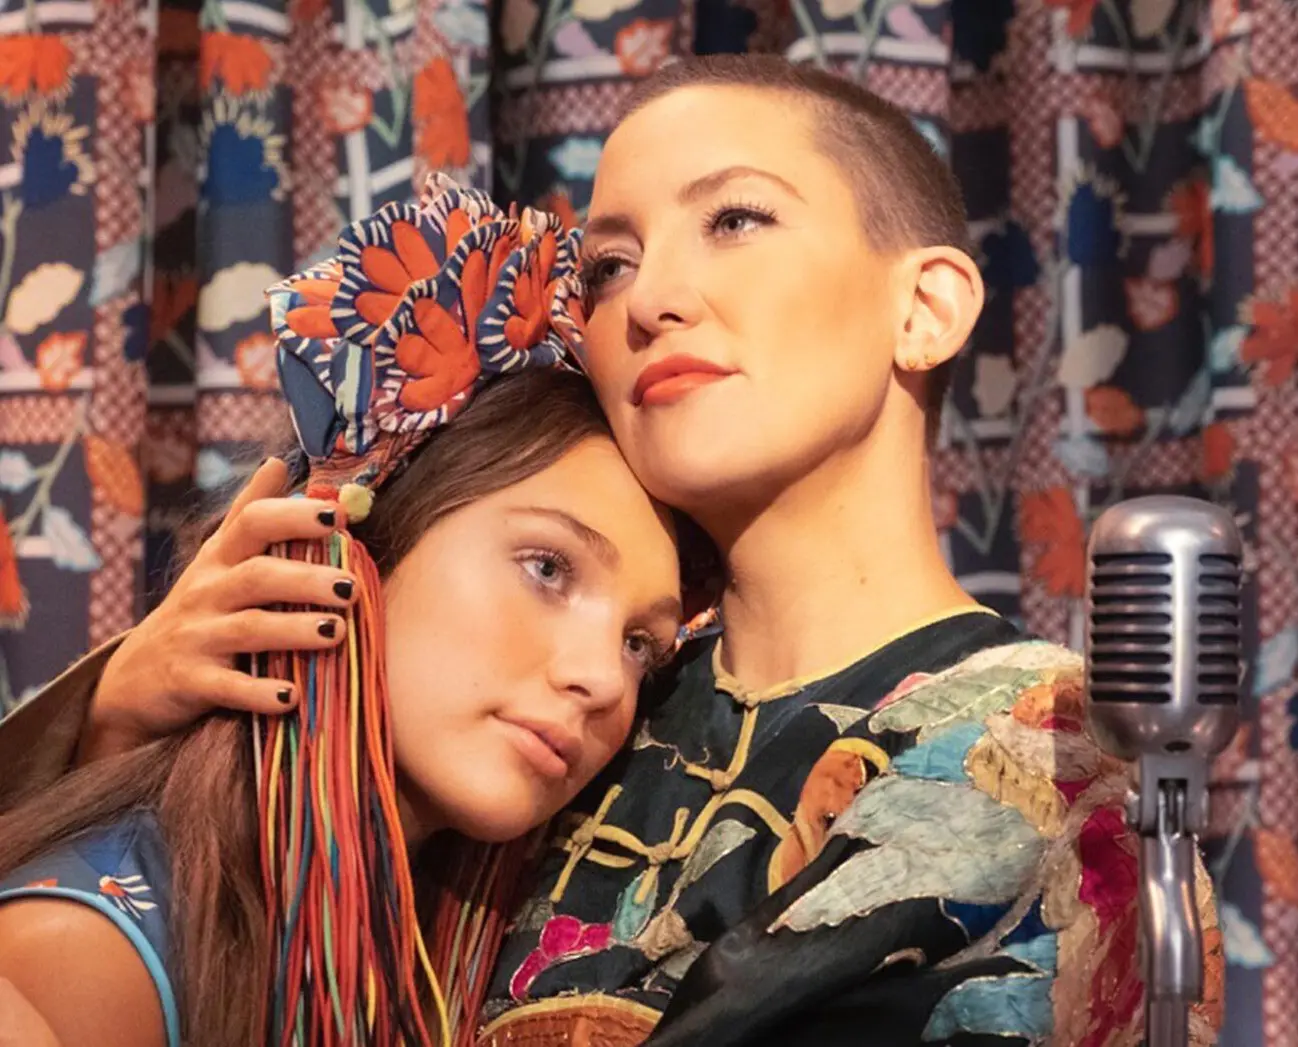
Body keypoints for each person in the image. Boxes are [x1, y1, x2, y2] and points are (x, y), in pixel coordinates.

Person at [0, 55, 1223, 1046]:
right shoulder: (552, 728)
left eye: (734, 219)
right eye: (609, 265)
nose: (649, 300)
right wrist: (112, 727)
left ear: (925, 307)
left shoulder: (1045, 759)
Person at [0, 181, 685, 1047]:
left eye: (640, 645)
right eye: (547, 567)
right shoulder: (87, 958)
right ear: (356, 546)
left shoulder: (456, 949)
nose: (601, 682)